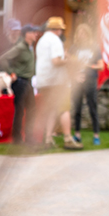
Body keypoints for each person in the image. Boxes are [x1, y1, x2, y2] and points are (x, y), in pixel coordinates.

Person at [34, 17, 82, 150]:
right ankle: (67, 138)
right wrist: (69, 60)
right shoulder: (55, 40)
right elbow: (55, 61)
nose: (61, 32)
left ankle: (48, 139)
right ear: (57, 30)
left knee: (50, 110)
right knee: (64, 108)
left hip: (43, 80)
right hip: (57, 81)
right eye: (61, 29)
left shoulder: (41, 41)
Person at [0, 24, 41, 143]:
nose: (36, 34)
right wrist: (12, 73)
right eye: (33, 32)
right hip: (21, 82)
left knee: (32, 110)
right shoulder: (20, 47)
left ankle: (29, 137)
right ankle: (17, 139)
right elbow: (3, 58)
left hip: (28, 82)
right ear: (27, 34)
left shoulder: (30, 47)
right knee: (20, 111)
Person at [70, 23, 103, 145]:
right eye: (79, 33)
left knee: (92, 107)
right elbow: (69, 65)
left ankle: (96, 135)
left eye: (84, 33)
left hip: (90, 80)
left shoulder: (94, 48)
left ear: (88, 35)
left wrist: (89, 66)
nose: (81, 36)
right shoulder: (74, 48)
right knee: (77, 108)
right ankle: (77, 134)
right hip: (77, 81)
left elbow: (101, 65)